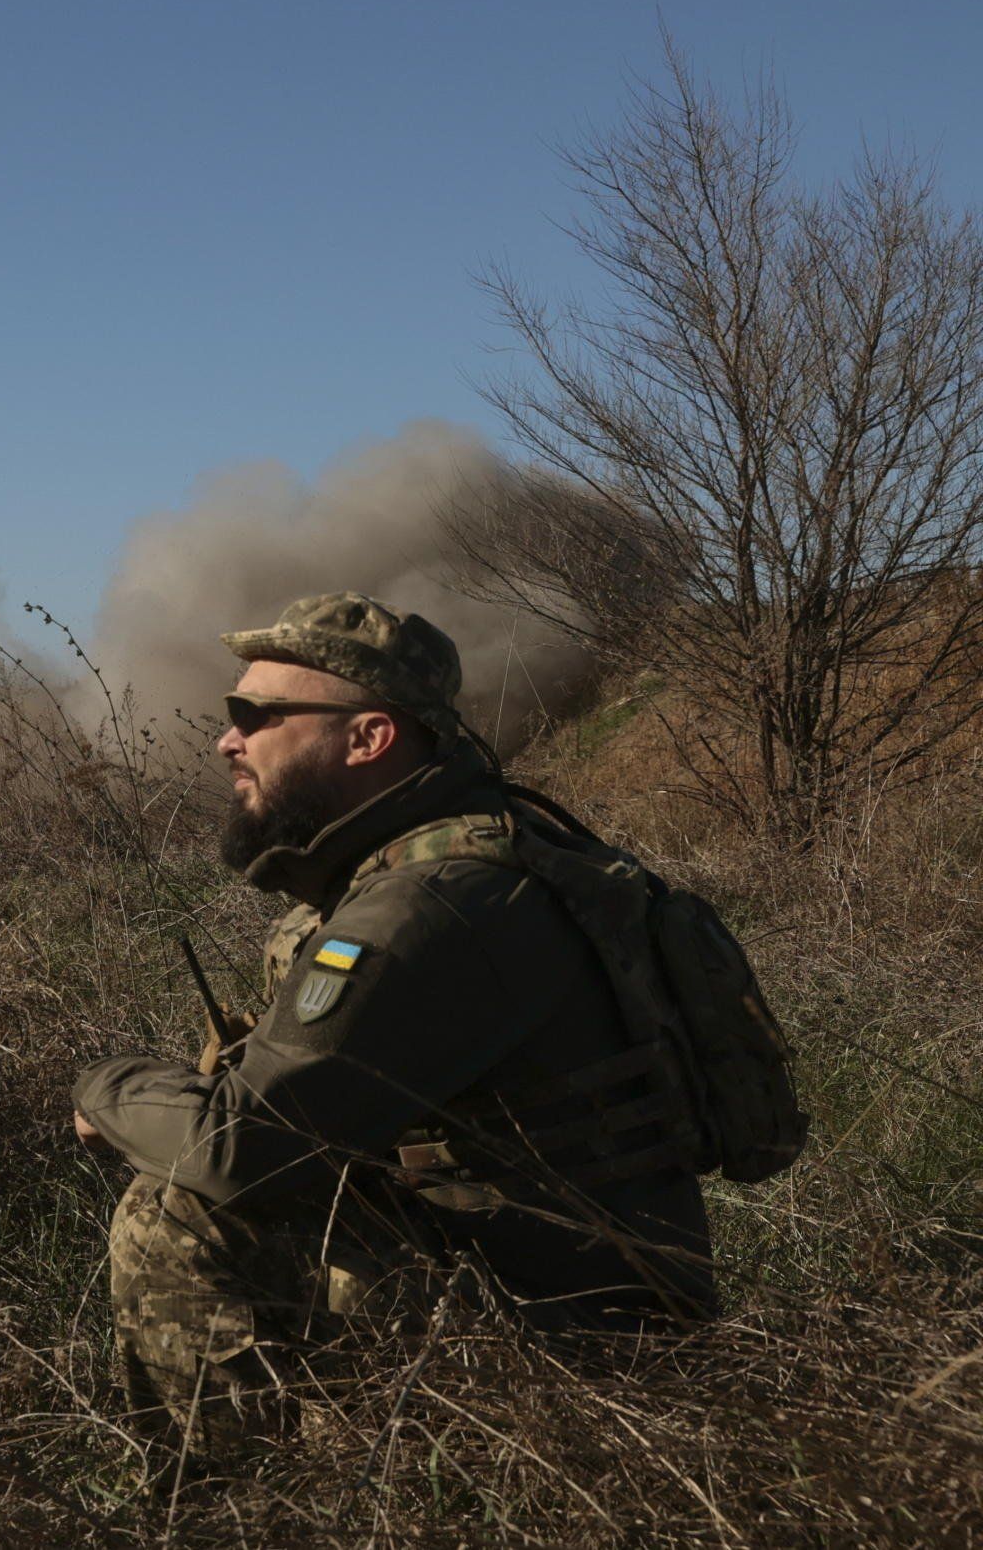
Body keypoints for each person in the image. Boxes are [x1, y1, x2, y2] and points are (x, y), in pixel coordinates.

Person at [72, 593, 716, 1462]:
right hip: (585, 1289)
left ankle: (238, 1511)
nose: (228, 738)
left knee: (177, 1210)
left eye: (255, 715)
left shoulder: (435, 904)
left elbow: (238, 1150)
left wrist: (103, 1085)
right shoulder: (482, 858)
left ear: (369, 738)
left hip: (561, 1341)